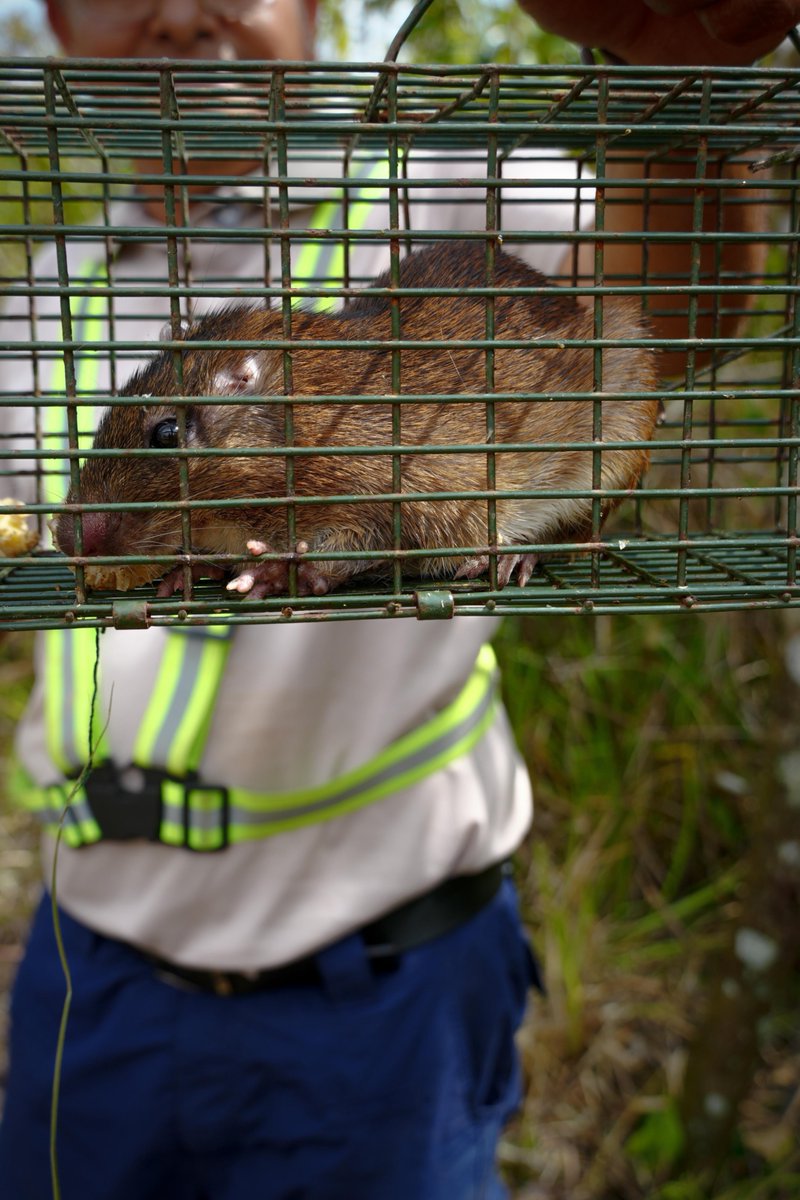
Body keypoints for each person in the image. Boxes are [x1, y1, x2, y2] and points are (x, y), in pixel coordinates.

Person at [0, 2, 792, 1198]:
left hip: (381, 980)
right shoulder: (44, 289)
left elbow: (668, 313)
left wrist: (666, 57)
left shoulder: (442, 169)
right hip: (93, 956)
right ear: (57, 19)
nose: (174, 8)